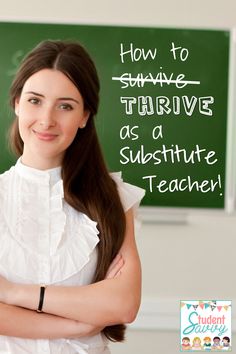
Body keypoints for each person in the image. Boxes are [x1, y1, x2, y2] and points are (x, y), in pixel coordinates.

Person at [0, 40, 145, 354]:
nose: (47, 119)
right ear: (16, 103)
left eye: (65, 105)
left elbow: (123, 304)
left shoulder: (113, 197)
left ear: (84, 116)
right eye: (35, 100)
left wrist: (12, 293)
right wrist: (77, 324)